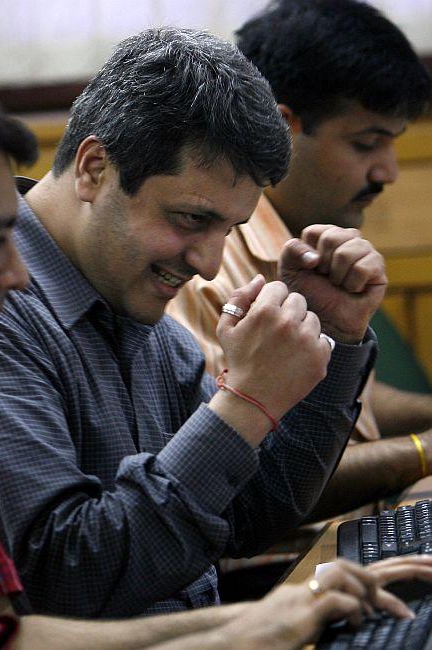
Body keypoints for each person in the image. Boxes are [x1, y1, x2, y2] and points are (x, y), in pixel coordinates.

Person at [0, 27, 385, 619]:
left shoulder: (142, 316)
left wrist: (333, 335)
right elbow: (62, 576)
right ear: (95, 168)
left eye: (228, 229)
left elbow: (247, 518)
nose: (206, 263)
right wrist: (246, 402)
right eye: (190, 218)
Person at [168, 0, 432, 523]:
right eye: (366, 143)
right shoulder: (206, 271)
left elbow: (337, 399)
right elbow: (240, 482)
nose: (388, 171)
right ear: (282, 124)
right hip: (277, 578)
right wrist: (424, 451)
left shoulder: (307, 243)